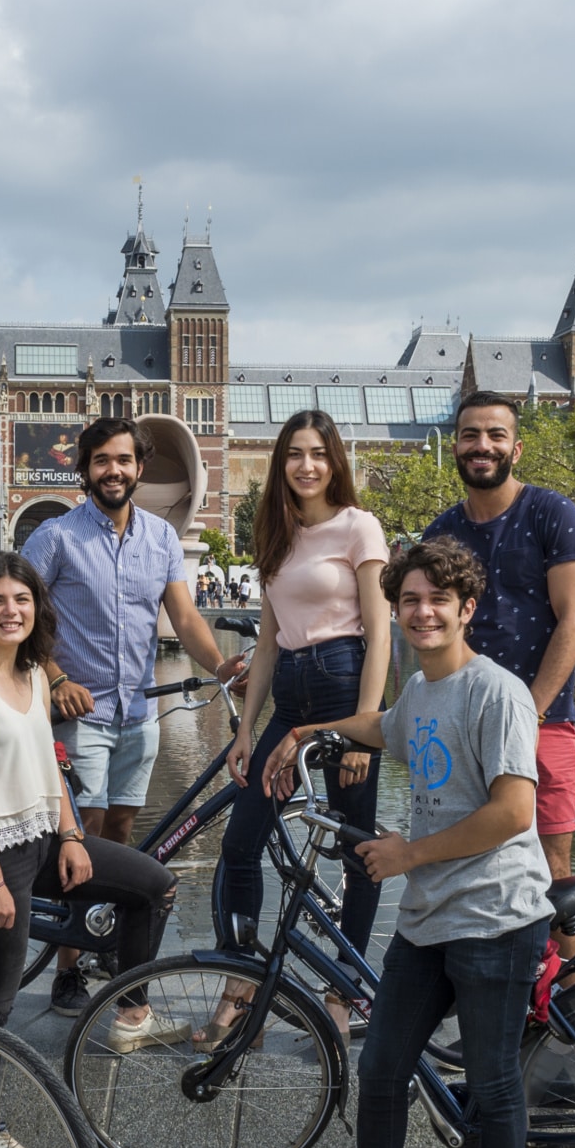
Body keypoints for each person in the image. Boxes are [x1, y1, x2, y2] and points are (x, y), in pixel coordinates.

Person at [262, 538, 553, 1148]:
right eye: (410, 600)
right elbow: (386, 727)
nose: (423, 612)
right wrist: (303, 733)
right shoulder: (422, 693)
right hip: (428, 917)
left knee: (493, 1084)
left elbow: (515, 810)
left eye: (438, 600)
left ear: (467, 607)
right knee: (382, 1068)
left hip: (496, 914)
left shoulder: (497, 693)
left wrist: (407, 852)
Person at [0, 553, 185, 1148]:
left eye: (22, 600)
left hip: (44, 837)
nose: (11, 611)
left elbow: (49, 768)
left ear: (37, 610)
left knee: (153, 885)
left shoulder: (33, 675)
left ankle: (131, 1012)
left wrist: (73, 836)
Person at [23, 417, 244, 1016]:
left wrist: (221, 665)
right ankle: (67, 969)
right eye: (101, 460)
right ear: (86, 468)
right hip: (80, 713)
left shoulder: (160, 538)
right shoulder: (55, 538)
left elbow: (186, 617)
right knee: (83, 837)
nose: (113, 471)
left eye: (123, 460)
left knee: (121, 834)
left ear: (139, 468)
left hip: (138, 712)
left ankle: (107, 946)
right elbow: (17, 618)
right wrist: (56, 677)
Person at [422, 393, 575, 959]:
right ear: (456, 445)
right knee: (469, 866)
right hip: (465, 729)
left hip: (543, 722)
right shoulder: (440, 533)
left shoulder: (551, 513)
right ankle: (499, 996)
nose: (483, 446)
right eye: (471, 434)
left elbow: (574, 619)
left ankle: (572, 1008)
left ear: (515, 448)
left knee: (554, 874)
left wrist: (531, 709)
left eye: (495, 435)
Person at [218, 411, 389, 965]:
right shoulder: (275, 534)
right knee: (240, 842)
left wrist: (365, 731)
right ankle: (241, 983)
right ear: (281, 462)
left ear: (334, 460)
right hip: (290, 693)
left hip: (345, 684)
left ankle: (346, 989)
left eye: (318, 453)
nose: (306, 465)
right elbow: (267, 645)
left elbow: (380, 635)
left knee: (355, 846)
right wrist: (244, 730)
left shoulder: (358, 525)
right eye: (295, 454)